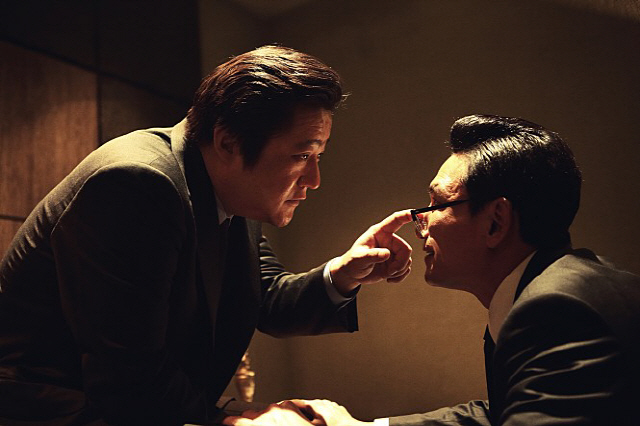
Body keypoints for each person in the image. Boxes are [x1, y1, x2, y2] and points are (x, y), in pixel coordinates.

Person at [0, 45, 413, 425]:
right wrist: (234, 422)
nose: (314, 179)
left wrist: (343, 274)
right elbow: (127, 370)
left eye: (318, 156)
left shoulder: (227, 190)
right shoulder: (137, 183)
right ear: (228, 142)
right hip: (50, 409)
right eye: (302, 155)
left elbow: (266, 298)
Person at [226, 114, 640, 425]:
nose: (420, 220)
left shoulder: (557, 312)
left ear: (495, 222)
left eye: (437, 204)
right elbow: (498, 415)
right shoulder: (555, 289)